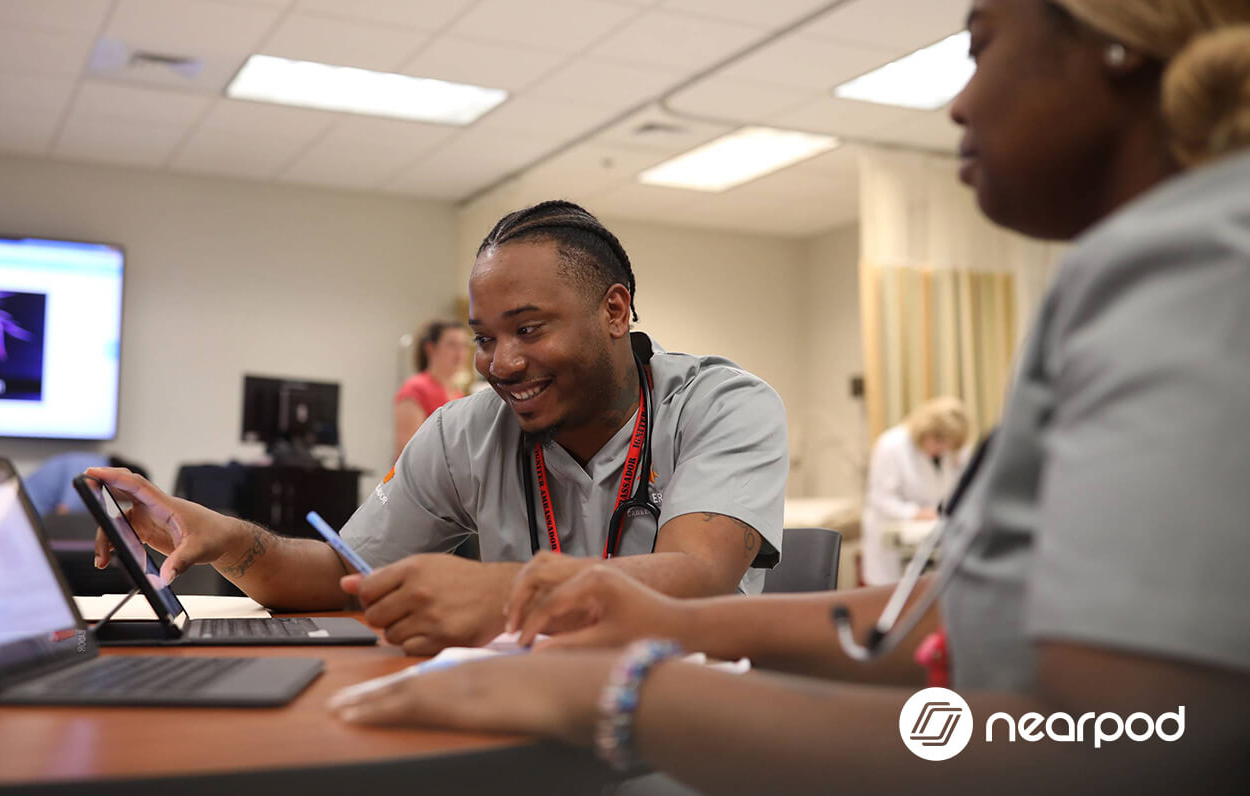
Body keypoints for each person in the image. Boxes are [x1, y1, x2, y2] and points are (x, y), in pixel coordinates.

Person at [325, 2, 1250, 792]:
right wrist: (672, 623)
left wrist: (626, 693)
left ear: (1117, 42)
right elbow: (959, 618)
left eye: (981, 43)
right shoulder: (1161, 260)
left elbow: (1122, 745)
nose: (961, 99)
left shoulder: (1192, 264)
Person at [89, 200, 790, 655]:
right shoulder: (466, 432)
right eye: (484, 336)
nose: (501, 363)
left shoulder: (722, 405)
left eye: (529, 329)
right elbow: (343, 576)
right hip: (524, 708)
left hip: (680, 710)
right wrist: (229, 539)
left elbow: (698, 575)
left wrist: (499, 593)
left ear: (614, 311)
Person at [861, 396, 971, 584]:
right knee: (891, 599)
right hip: (892, 543)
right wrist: (915, 513)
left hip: (930, 539)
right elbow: (881, 498)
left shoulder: (950, 453)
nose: (942, 448)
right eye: (938, 440)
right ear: (925, 430)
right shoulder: (891, 445)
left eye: (948, 443)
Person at [393, 319, 469, 461]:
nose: (460, 353)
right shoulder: (415, 388)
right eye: (452, 345)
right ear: (431, 348)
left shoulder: (458, 394)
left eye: (464, 346)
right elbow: (408, 450)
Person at [23, 451, 149, 517]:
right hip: (25, 513)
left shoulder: (98, 464)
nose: (127, 501)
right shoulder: (93, 472)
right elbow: (65, 516)